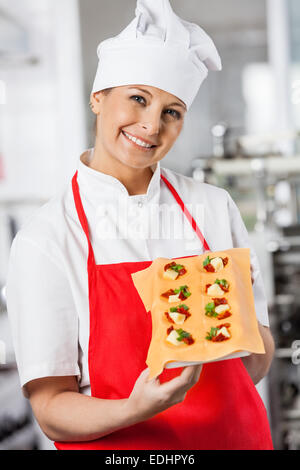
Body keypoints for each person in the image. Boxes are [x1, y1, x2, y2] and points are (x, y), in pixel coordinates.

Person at [6, 0, 274, 450]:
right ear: (97, 97)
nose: (152, 125)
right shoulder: (46, 239)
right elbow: (52, 408)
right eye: (138, 98)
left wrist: (234, 319)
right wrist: (139, 407)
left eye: (173, 111)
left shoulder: (212, 207)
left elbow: (257, 356)